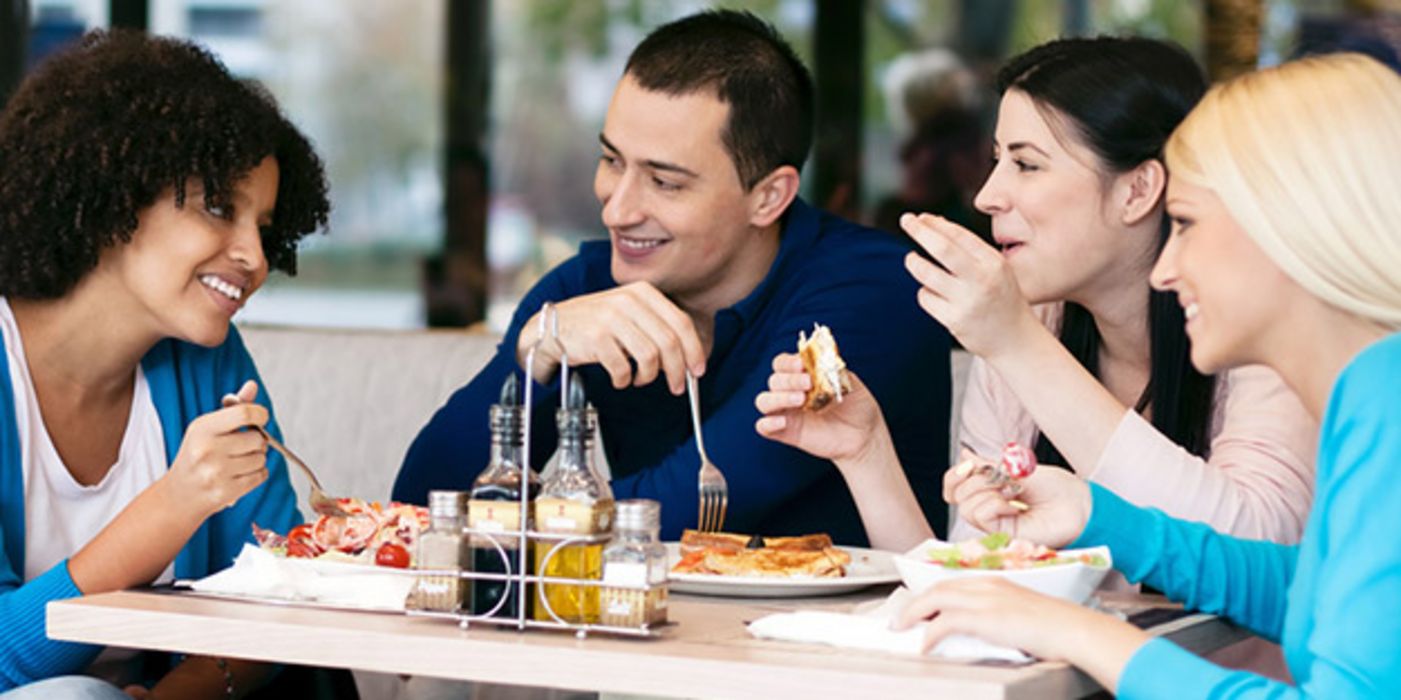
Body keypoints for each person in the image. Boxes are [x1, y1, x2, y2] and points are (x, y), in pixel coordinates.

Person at [902, 51, 1401, 698]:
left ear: (1288, 224)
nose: (1164, 269)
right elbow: (1314, 594)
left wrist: (1083, 634)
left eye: (1186, 223)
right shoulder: (1370, 389)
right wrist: (1096, 516)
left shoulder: (1382, 399)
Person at [395, 10, 951, 544]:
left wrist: (512, 525)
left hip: (839, 634)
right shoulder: (585, 290)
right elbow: (419, 510)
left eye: (664, 182)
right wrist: (532, 358)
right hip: (640, 626)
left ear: (769, 197)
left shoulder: (871, 289)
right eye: (612, 161)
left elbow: (700, 498)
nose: (617, 210)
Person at [756, 36, 1315, 552]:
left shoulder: (1257, 322)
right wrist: (867, 452)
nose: (988, 196)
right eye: (998, 160)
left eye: (1026, 164)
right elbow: (977, 574)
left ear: (1137, 190)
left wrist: (1016, 344)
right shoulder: (1030, 329)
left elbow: (1255, 549)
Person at [0, 31, 329, 697]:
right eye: (218, 206)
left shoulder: (205, 361)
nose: (256, 259)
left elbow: (276, 593)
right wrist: (170, 510)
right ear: (117, 195)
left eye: (263, 228)